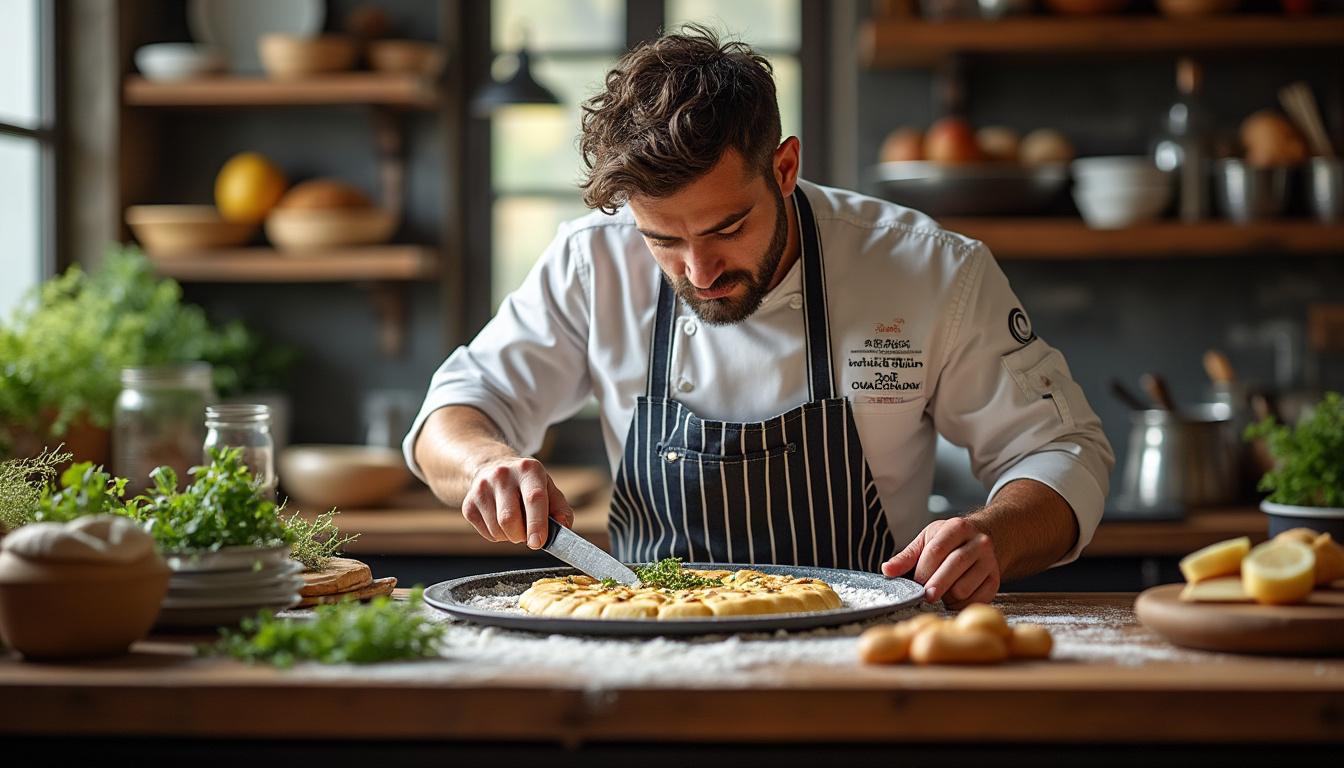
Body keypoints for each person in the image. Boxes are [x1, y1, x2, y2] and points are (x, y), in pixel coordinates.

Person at [405, 26, 1113, 608]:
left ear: (784, 168)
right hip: (645, 649)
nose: (699, 271)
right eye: (664, 241)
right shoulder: (591, 261)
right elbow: (454, 412)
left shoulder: (930, 268)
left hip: (864, 658)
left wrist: (993, 532)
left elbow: (1063, 451)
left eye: (726, 227)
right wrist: (488, 464)